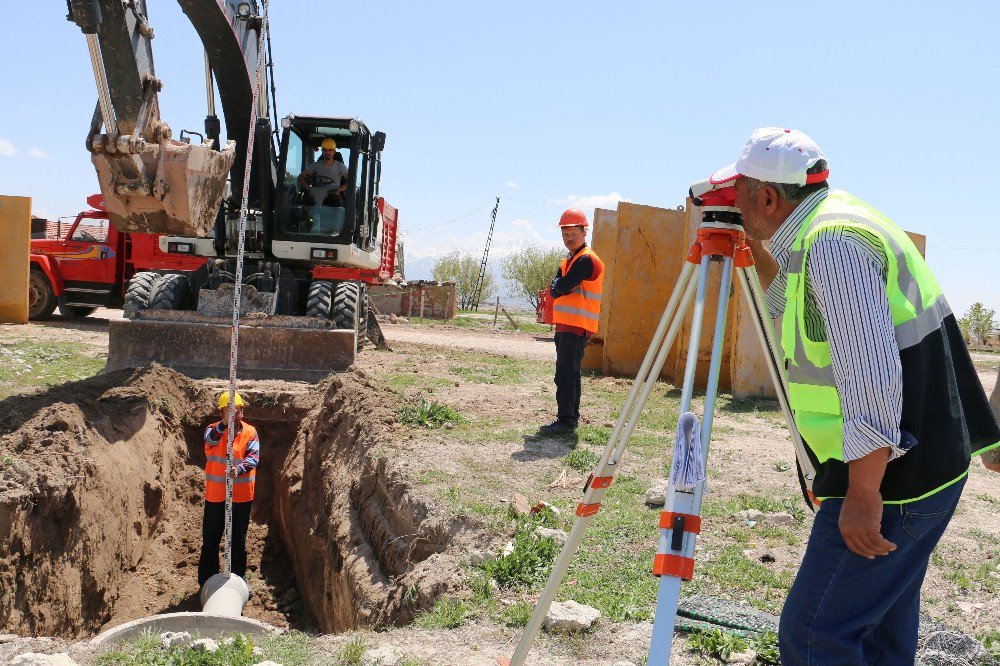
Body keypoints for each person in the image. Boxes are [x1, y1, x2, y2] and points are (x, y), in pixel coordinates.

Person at [707, 127, 1000, 663]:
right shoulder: (826, 227)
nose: (733, 202)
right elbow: (785, 306)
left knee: (817, 632)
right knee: (879, 632)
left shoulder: (832, 245)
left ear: (768, 197)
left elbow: (871, 379)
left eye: (740, 192)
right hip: (921, 462)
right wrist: (748, 248)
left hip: (895, 479)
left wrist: (864, 496)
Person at [538, 208, 604, 436]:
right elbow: (555, 287)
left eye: (572, 234)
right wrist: (560, 286)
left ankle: (566, 421)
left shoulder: (586, 260)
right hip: (567, 325)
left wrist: (561, 286)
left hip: (576, 327)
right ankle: (570, 418)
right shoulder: (569, 260)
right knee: (571, 373)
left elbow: (562, 286)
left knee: (565, 374)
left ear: (584, 232)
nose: (568, 239)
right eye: (564, 235)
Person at [198, 390, 260, 587]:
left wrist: (239, 469)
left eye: (238, 411)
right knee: (210, 540)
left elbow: (254, 458)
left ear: (242, 412)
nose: (235, 415)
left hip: (241, 497)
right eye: (229, 412)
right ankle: (207, 581)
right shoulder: (213, 430)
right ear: (221, 413)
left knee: (237, 541)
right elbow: (211, 440)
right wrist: (224, 424)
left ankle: (238, 582)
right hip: (216, 496)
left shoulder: (250, 432)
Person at [297, 137, 348, 207]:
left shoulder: (340, 166)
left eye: (330, 150)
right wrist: (309, 189)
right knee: (305, 200)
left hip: (332, 194)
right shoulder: (316, 165)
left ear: (334, 152)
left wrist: (339, 189)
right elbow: (301, 176)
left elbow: (351, 181)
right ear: (322, 151)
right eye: (325, 150)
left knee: (336, 202)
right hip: (316, 192)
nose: (327, 152)